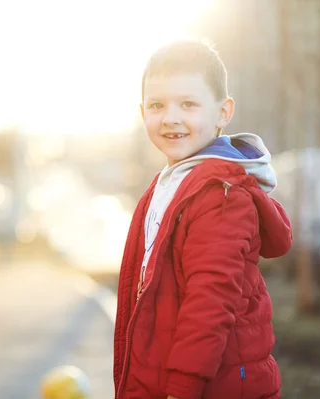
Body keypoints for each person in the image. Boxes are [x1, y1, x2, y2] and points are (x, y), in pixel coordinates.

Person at [113, 40, 293, 399]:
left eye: (189, 104)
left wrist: (183, 387)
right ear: (142, 111)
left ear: (223, 112)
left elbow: (209, 302)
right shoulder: (172, 181)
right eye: (157, 105)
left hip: (213, 386)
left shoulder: (221, 193)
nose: (171, 118)